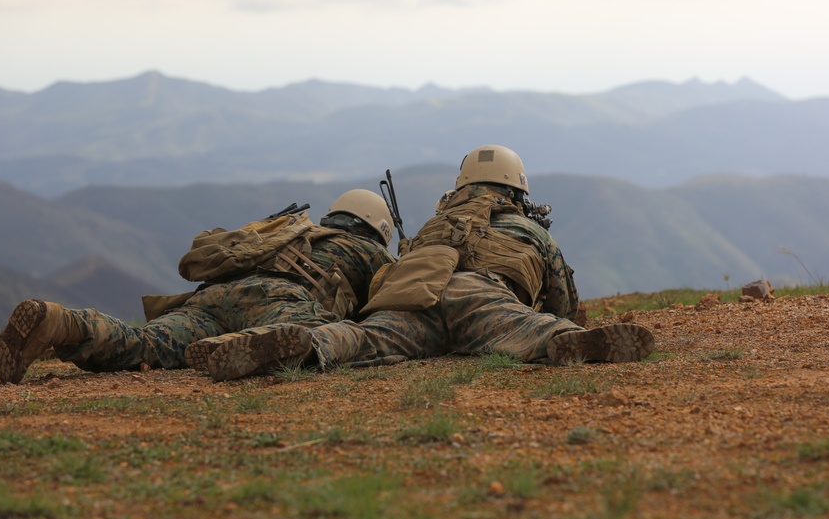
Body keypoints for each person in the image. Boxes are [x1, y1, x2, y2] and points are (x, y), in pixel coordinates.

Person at [197, 145, 655, 382]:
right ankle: (573, 346)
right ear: (517, 189)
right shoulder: (527, 229)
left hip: (413, 295)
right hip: (480, 297)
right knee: (532, 329)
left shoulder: (434, 226)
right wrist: (570, 324)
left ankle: (306, 344)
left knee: (363, 338)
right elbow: (563, 299)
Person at [0, 190, 396, 384]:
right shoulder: (367, 250)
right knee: (305, 335)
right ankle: (242, 345)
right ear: (377, 230)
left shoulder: (293, 231)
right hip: (281, 298)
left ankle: (65, 323)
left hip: (213, 296)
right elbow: (391, 300)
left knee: (144, 345)